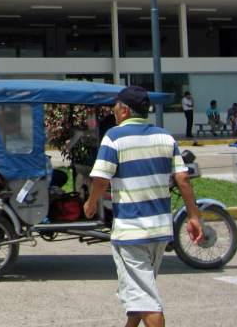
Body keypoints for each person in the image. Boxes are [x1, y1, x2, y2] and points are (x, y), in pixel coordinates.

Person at [84, 86, 202, 327]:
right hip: (160, 231)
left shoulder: (114, 137)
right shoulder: (165, 136)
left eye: (116, 107)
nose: (113, 111)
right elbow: (182, 179)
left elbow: (101, 180)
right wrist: (193, 215)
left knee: (146, 300)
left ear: (125, 110)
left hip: (132, 232)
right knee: (140, 291)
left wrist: (91, 202)